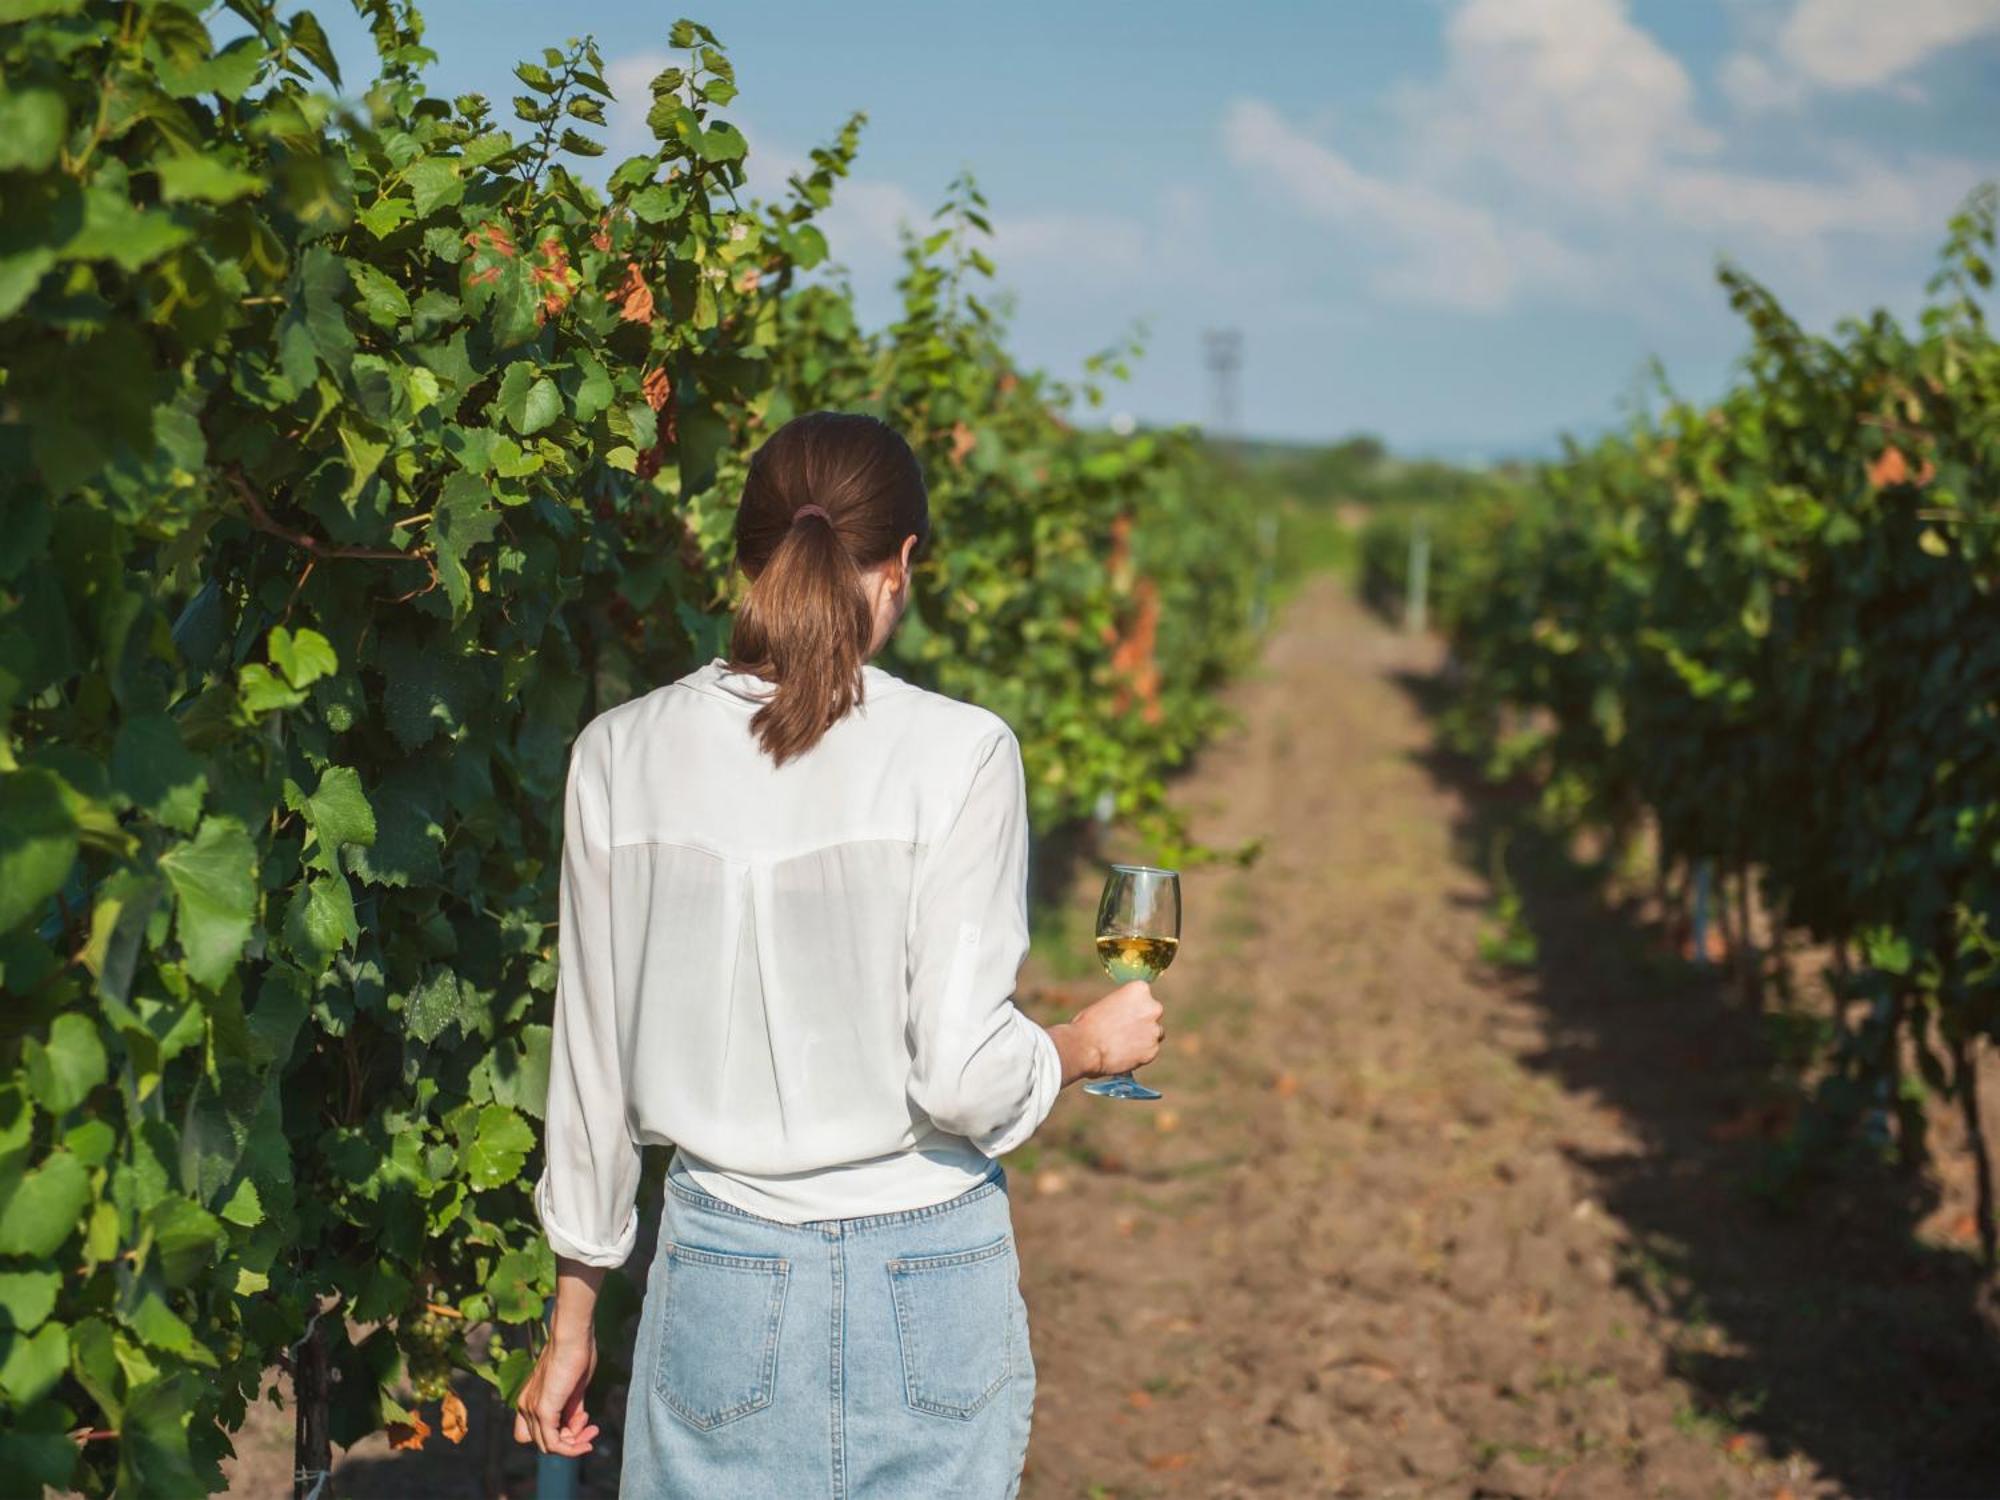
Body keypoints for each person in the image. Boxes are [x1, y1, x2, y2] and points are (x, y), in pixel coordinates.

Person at [513, 410, 1165, 1496]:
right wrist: (1079, 1047)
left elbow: (588, 1078)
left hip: (722, 1267)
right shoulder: (961, 754)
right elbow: (960, 1078)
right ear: (902, 564)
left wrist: (572, 1316)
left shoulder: (617, 756)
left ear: (741, 555)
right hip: (930, 1273)